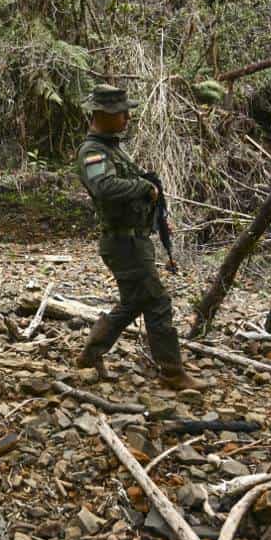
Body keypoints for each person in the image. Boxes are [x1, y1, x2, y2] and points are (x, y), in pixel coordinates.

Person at [75, 84, 208, 391]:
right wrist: (143, 187)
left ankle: (90, 354)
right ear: (102, 115)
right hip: (123, 244)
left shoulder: (111, 147)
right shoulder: (92, 151)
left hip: (134, 240)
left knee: (135, 302)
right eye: (121, 113)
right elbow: (104, 188)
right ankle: (172, 372)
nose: (126, 118)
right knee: (158, 301)